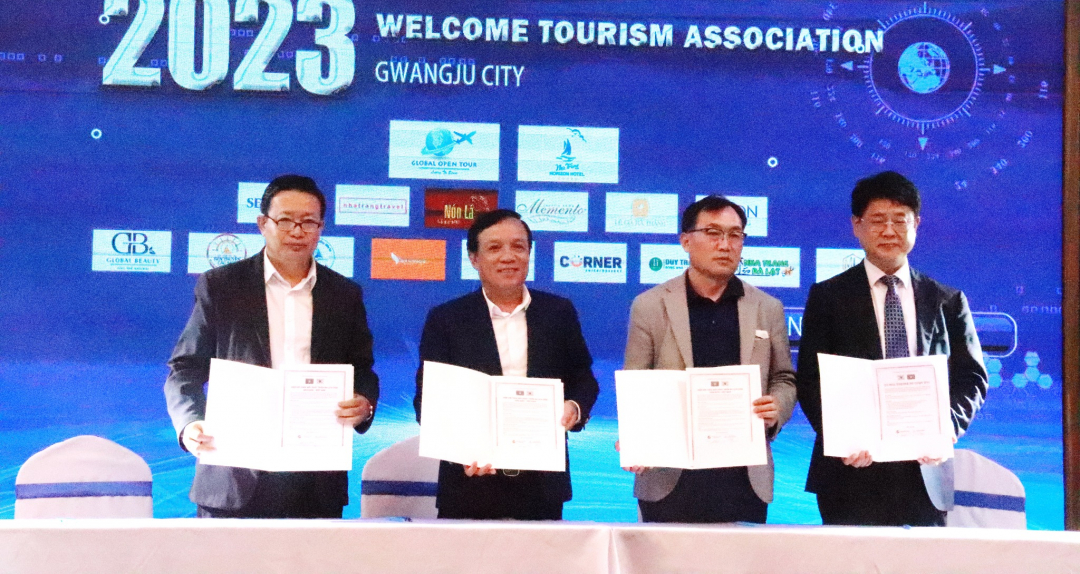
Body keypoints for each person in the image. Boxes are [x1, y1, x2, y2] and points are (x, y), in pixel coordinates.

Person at [165, 174, 379, 518]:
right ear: (263, 224)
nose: (297, 231)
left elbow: (362, 369)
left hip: (314, 478)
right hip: (233, 474)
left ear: (321, 228)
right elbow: (184, 368)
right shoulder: (222, 286)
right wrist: (190, 423)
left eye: (308, 222)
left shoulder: (344, 294)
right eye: (285, 220)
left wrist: (364, 404)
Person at [796, 171, 988, 526]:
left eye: (900, 220)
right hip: (850, 473)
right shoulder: (828, 298)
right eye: (877, 220)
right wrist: (841, 437)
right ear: (857, 226)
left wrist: (946, 428)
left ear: (916, 225)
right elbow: (810, 381)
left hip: (925, 472)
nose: (889, 231)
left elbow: (972, 378)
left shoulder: (947, 300)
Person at [414, 209, 599, 520]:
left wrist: (575, 407)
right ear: (474, 258)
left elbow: (584, 378)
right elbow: (427, 403)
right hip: (470, 483)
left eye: (518, 246)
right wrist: (460, 448)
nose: (509, 257)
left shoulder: (558, 313)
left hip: (542, 484)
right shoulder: (447, 319)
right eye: (494, 247)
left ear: (529, 253)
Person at [622, 195, 796, 523]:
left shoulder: (767, 307)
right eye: (713, 233)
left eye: (735, 235)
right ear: (686, 241)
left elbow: (784, 378)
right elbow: (637, 382)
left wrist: (777, 406)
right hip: (669, 476)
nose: (725, 245)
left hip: (743, 477)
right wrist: (638, 439)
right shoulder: (650, 305)